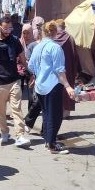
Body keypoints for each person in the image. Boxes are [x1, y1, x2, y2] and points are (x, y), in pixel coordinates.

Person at [28, 20, 76, 155]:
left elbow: (31, 66)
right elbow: (60, 70)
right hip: (52, 86)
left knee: (47, 115)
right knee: (55, 116)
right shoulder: (55, 48)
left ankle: (48, 141)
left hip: (40, 86)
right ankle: (51, 145)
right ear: (55, 32)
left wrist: (38, 75)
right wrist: (68, 87)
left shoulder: (37, 46)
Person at [0, 15, 31, 147]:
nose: (8, 30)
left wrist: (31, 72)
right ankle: (4, 132)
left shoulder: (15, 41)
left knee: (16, 109)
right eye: (5, 28)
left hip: (14, 80)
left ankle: (20, 135)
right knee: (0, 111)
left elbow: (22, 58)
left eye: (10, 28)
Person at [54, 19, 79, 117]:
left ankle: (56, 111)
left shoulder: (53, 38)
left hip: (56, 68)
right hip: (68, 67)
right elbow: (74, 54)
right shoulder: (70, 38)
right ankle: (66, 112)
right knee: (67, 87)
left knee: (57, 88)